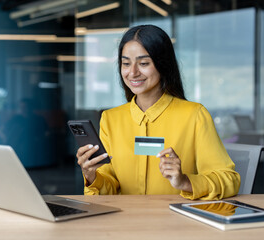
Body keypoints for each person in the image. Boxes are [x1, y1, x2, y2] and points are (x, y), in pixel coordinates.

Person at [76, 25, 240, 200]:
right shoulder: (111, 119)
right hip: (125, 222)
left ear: (163, 64)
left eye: (144, 63)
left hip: (176, 222)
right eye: (126, 63)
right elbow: (110, 189)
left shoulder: (194, 115)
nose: (133, 72)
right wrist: (91, 176)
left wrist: (185, 181)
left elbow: (229, 179)